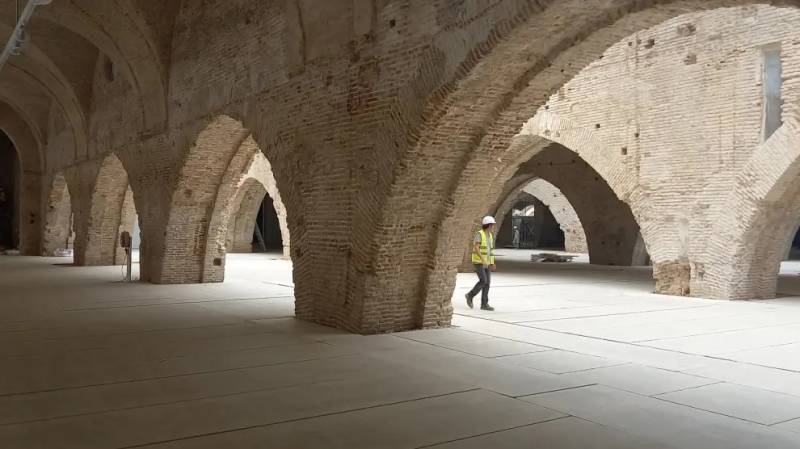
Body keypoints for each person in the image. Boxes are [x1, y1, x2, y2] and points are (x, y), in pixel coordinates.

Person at [465, 215, 496, 311]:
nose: (494, 227)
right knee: (483, 280)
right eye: (493, 225)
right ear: (489, 225)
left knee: (487, 283)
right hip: (479, 262)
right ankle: (470, 295)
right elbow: (476, 247)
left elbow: (490, 251)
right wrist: (482, 259)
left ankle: (484, 304)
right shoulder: (479, 234)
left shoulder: (490, 236)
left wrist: (492, 262)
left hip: (487, 262)